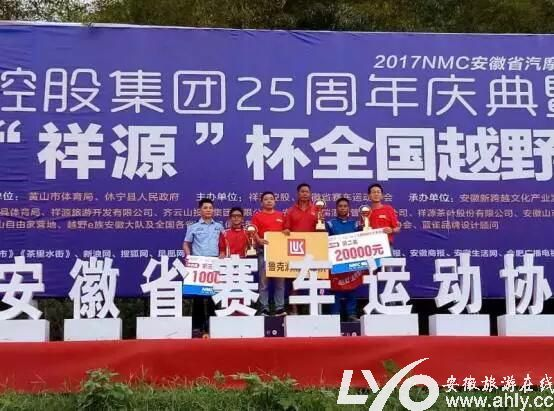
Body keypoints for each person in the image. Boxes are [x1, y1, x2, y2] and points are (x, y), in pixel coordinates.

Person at [182, 198, 224, 332]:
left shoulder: (219, 226)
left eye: (210, 208)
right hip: (198, 263)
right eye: (205, 208)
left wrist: (222, 253)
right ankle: (197, 326)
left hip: (214, 262)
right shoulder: (193, 227)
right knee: (198, 297)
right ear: (199, 210)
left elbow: (224, 243)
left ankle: (213, 325)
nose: (208, 210)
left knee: (213, 296)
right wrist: (188, 256)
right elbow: (186, 243)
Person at [251, 191, 286, 316]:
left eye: (271, 198)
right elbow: (253, 231)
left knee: (280, 282)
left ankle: (279, 308)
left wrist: (286, 232)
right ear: (262, 202)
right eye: (266, 199)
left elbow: (287, 230)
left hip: (279, 253)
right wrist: (258, 240)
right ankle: (264, 307)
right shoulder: (257, 216)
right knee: (263, 282)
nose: (269, 201)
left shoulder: (281, 215)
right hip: (263, 252)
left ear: (275, 201)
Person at [326, 197, 360, 321]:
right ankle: (334, 315)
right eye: (340, 206)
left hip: (352, 260)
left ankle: (351, 314)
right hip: (335, 261)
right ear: (336, 208)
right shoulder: (330, 224)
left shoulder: (355, 224)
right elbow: (325, 241)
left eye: (345, 206)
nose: (343, 208)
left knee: (353, 286)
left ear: (349, 208)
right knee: (335, 288)